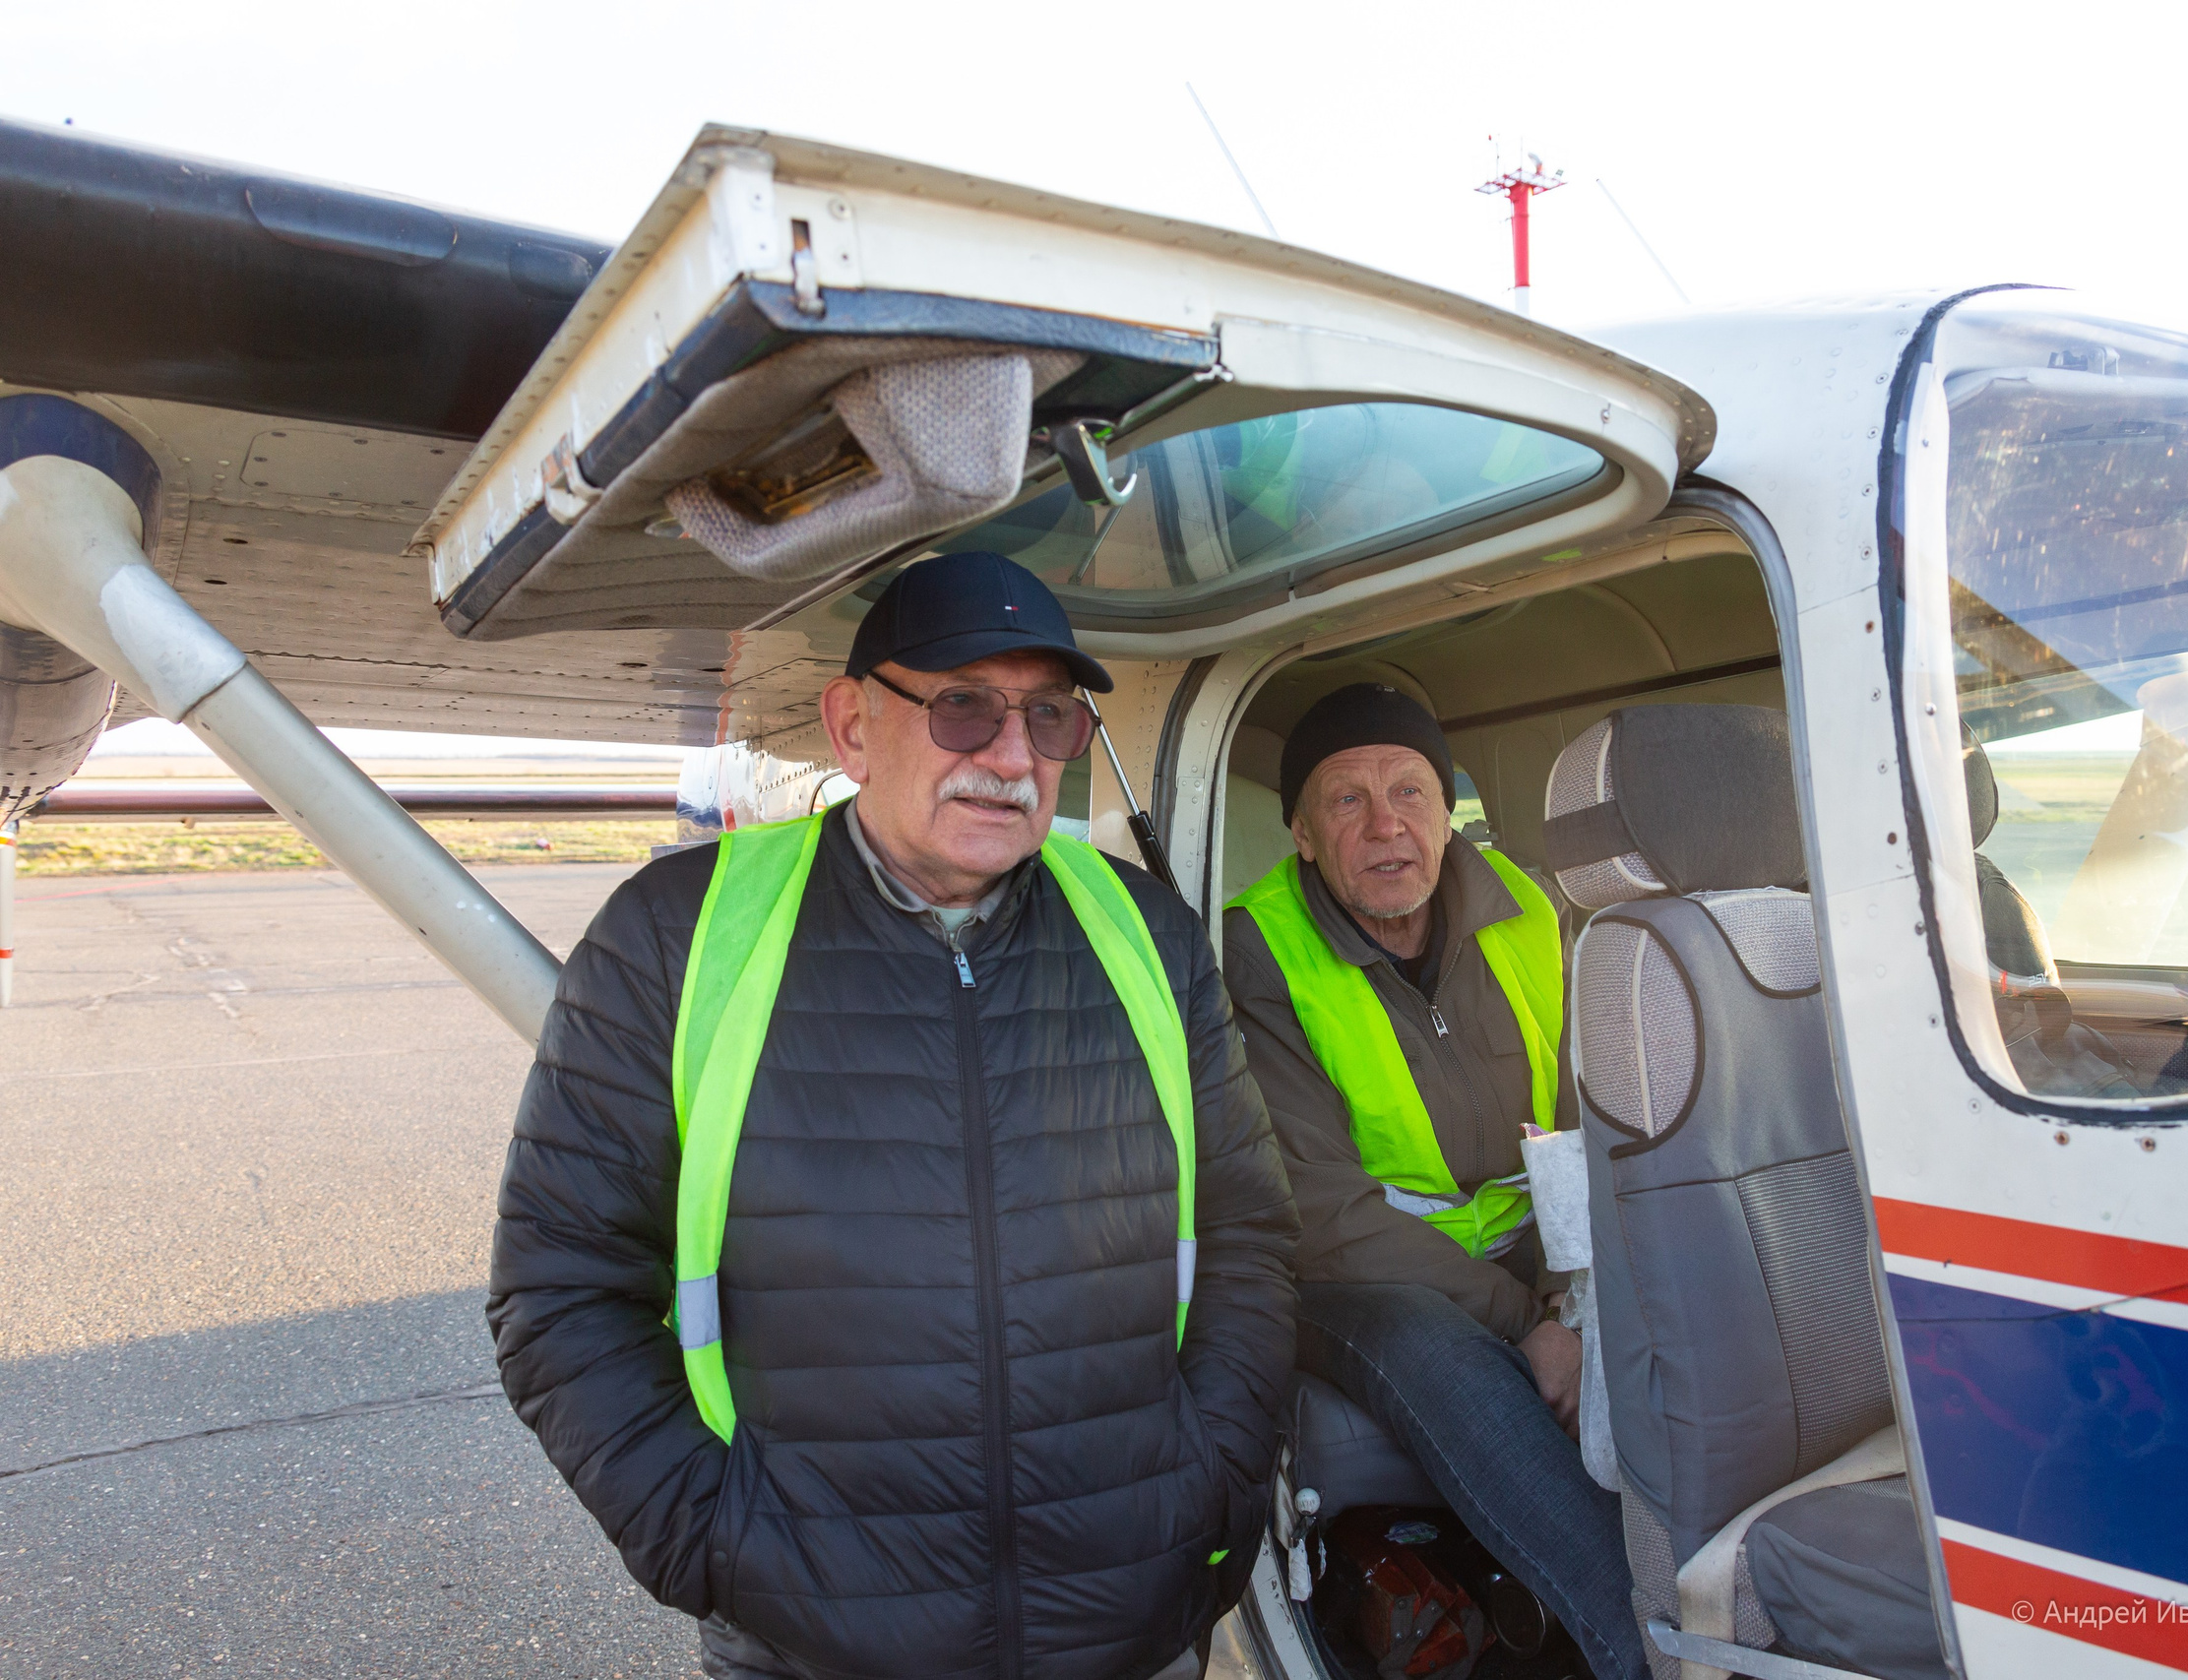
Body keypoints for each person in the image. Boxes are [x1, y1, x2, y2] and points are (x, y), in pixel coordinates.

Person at [488, 551, 1299, 1680]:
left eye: (1049, 718)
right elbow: (560, 1288)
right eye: (965, 708)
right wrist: (717, 1544)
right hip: (816, 1645)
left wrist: (1208, 1494)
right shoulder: (675, 935)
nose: (1012, 757)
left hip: (1135, 1626)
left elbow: (1248, 1238)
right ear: (854, 729)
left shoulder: (1143, 930)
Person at [1222, 683, 1647, 1680]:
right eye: (1346, 801)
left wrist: (1579, 1284)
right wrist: (1526, 1321)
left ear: (1446, 813)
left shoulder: (1530, 909)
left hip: (1527, 1241)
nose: (1386, 828)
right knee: (1434, 1349)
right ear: (1301, 832)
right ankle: (1636, 1646)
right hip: (1353, 1277)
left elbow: (1594, 1109)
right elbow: (1319, 1213)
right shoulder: (1257, 947)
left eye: (1410, 793)